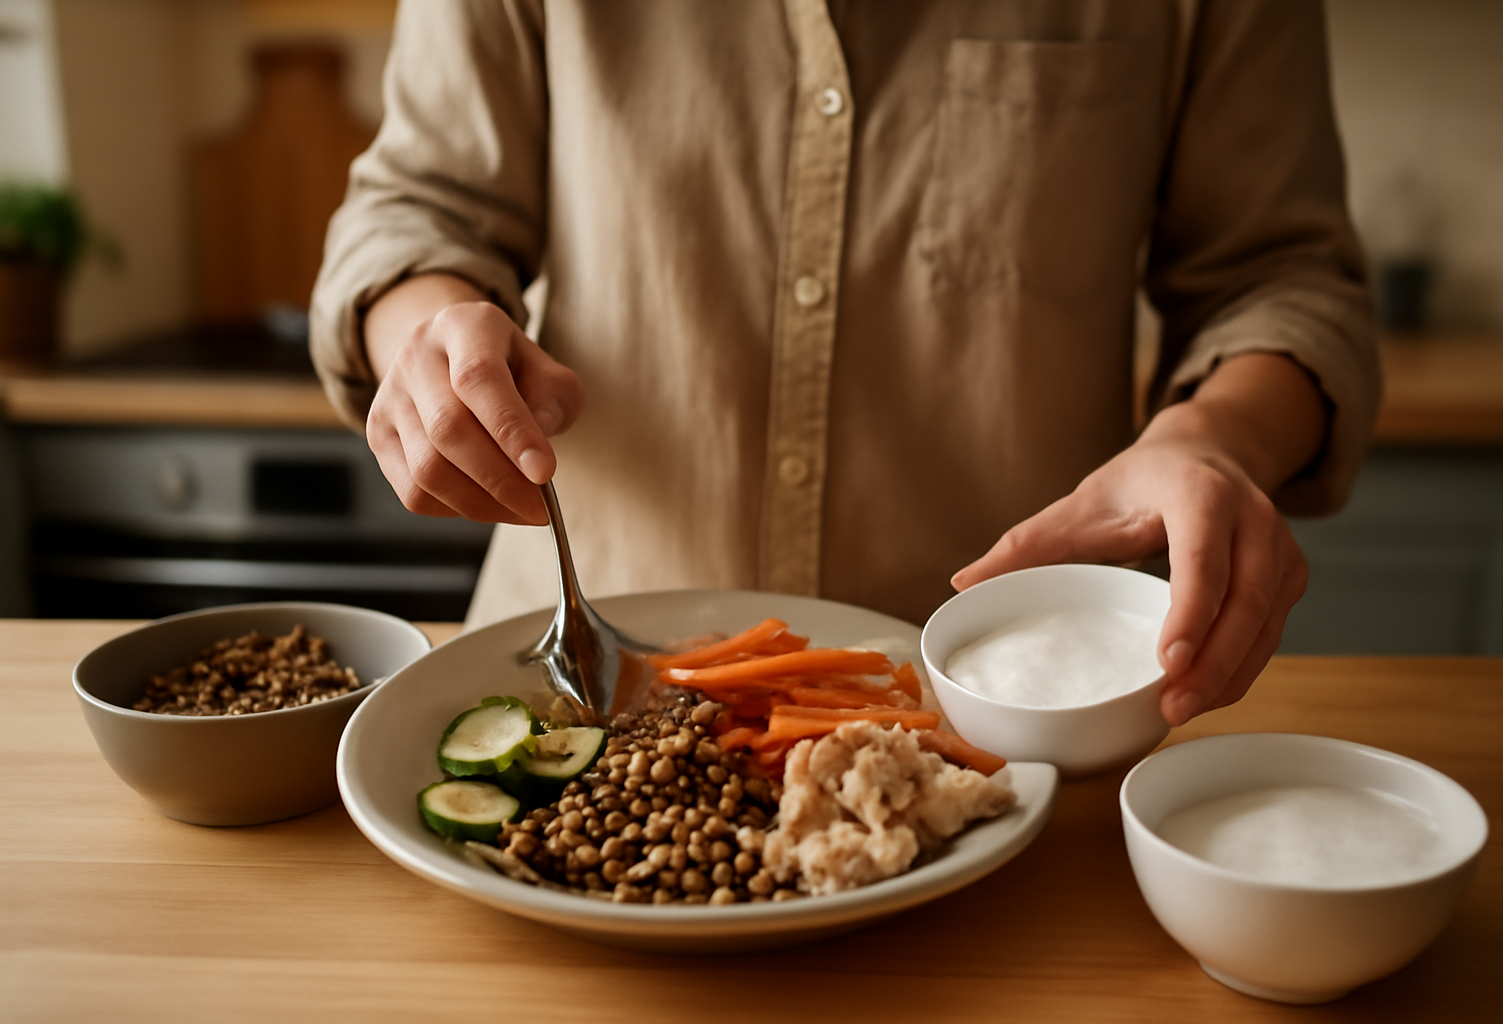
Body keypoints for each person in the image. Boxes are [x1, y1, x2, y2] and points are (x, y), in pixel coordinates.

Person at [311, 0, 1381, 729]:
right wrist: (429, 324)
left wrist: (1211, 438)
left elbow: (1282, 276)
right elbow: (420, 206)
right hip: (578, 691)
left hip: (1011, 726)